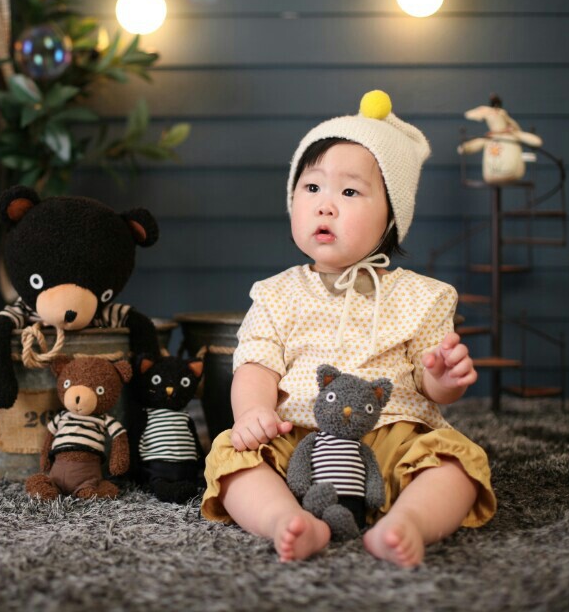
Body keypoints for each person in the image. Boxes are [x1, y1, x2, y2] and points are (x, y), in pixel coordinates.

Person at [200, 90, 497, 567]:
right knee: (230, 456)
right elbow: (256, 363)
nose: (325, 206)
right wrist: (253, 412)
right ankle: (285, 519)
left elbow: (431, 384)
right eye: (311, 188)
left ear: (391, 217)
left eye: (350, 192)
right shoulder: (277, 294)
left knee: (456, 461)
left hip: (391, 436)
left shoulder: (420, 296)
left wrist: (444, 378)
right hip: (299, 437)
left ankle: (409, 523)